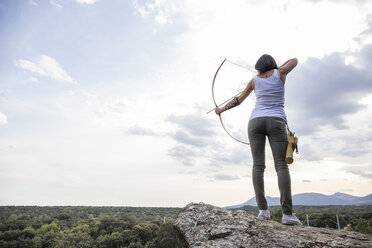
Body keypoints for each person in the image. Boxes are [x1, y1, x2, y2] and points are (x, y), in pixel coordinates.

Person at [215, 54, 302, 225]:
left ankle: (263, 211)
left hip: (255, 122)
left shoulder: (254, 80)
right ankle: (287, 214)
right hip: (276, 120)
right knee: (281, 165)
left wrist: (221, 110)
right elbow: (295, 60)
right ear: (273, 65)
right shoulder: (280, 73)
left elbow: (238, 100)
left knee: (258, 165)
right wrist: (278, 68)